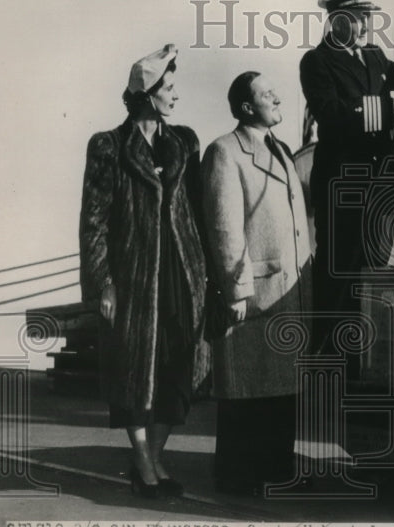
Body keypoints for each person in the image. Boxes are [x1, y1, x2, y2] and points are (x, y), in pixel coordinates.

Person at [79, 43, 208, 499]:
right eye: (168, 88)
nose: (176, 95)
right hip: (132, 280)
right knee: (132, 372)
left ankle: (154, 455)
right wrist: (103, 285)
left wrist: (207, 274)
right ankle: (143, 463)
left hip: (180, 274)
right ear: (148, 94)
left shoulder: (185, 143)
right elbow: (93, 222)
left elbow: (200, 211)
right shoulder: (108, 147)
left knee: (180, 368)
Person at [299, 0, 394, 356]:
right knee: (340, 275)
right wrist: (387, 109)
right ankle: (329, 366)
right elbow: (330, 115)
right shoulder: (316, 62)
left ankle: (366, 364)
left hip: (380, 184)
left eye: (369, 16)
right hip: (343, 185)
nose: (367, 24)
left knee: (375, 270)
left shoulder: (374, 55)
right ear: (336, 21)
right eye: (360, 17)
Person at [202, 71, 312, 494]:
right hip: (253, 294)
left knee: (280, 389)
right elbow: (225, 228)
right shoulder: (224, 153)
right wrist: (235, 290)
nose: (277, 98)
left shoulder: (282, 150)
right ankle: (238, 479)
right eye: (268, 94)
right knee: (247, 390)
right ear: (247, 107)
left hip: (288, 293)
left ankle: (277, 470)